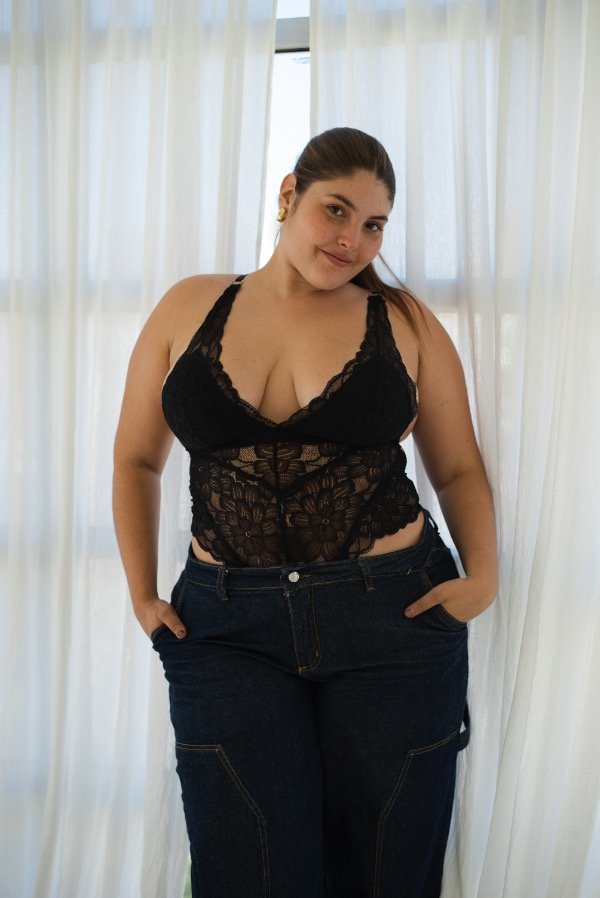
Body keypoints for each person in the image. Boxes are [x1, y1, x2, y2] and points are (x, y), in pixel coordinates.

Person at [112, 127, 498, 898]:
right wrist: (142, 594)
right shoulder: (188, 305)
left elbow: (457, 468)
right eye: (337, 210)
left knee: (387, 874)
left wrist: (482, 580)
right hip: (228, 631)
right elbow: (135, 461)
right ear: (289, 194)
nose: (353, 239)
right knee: (246, 871)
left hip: (392, 622)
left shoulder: (405, 321)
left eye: (375, 224)